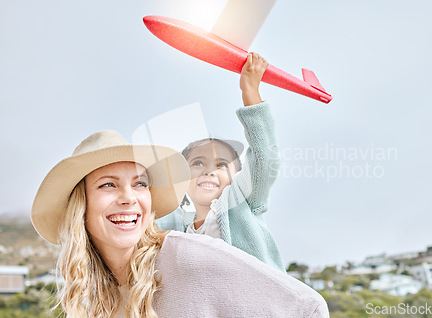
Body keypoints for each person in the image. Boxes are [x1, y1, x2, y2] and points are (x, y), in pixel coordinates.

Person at [31, 130, 329, 317]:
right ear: (81, 207)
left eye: (140, 184)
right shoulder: (98, 297)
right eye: (108, 185)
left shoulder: (186, 257)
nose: (128, 198)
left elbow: (307, 307)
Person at [156, 52, 284, 271]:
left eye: (221, 165)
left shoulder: (241, 201)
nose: (209, 171)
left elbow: (265, 158)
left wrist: (250, 90)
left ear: (237, 176)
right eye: (197, 163)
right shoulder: (179, 224)